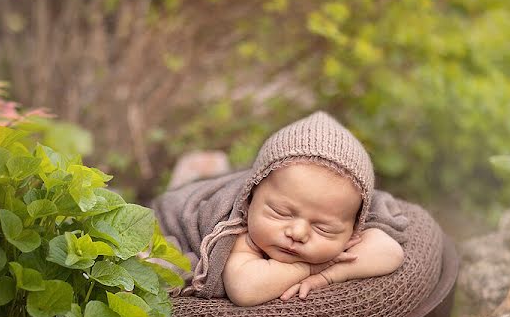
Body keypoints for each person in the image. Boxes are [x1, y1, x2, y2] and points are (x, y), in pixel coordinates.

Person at [152, 110, 410, 305]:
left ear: (355, 228)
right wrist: (312, 267)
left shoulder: (354, 213)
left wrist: (330, 276)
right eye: (281, 213)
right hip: (180, 210)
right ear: (250, 199)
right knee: (156, 260)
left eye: (324, 228)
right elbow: (245, 289)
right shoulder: (237, 228)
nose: (297, 233)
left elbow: (390, 252)